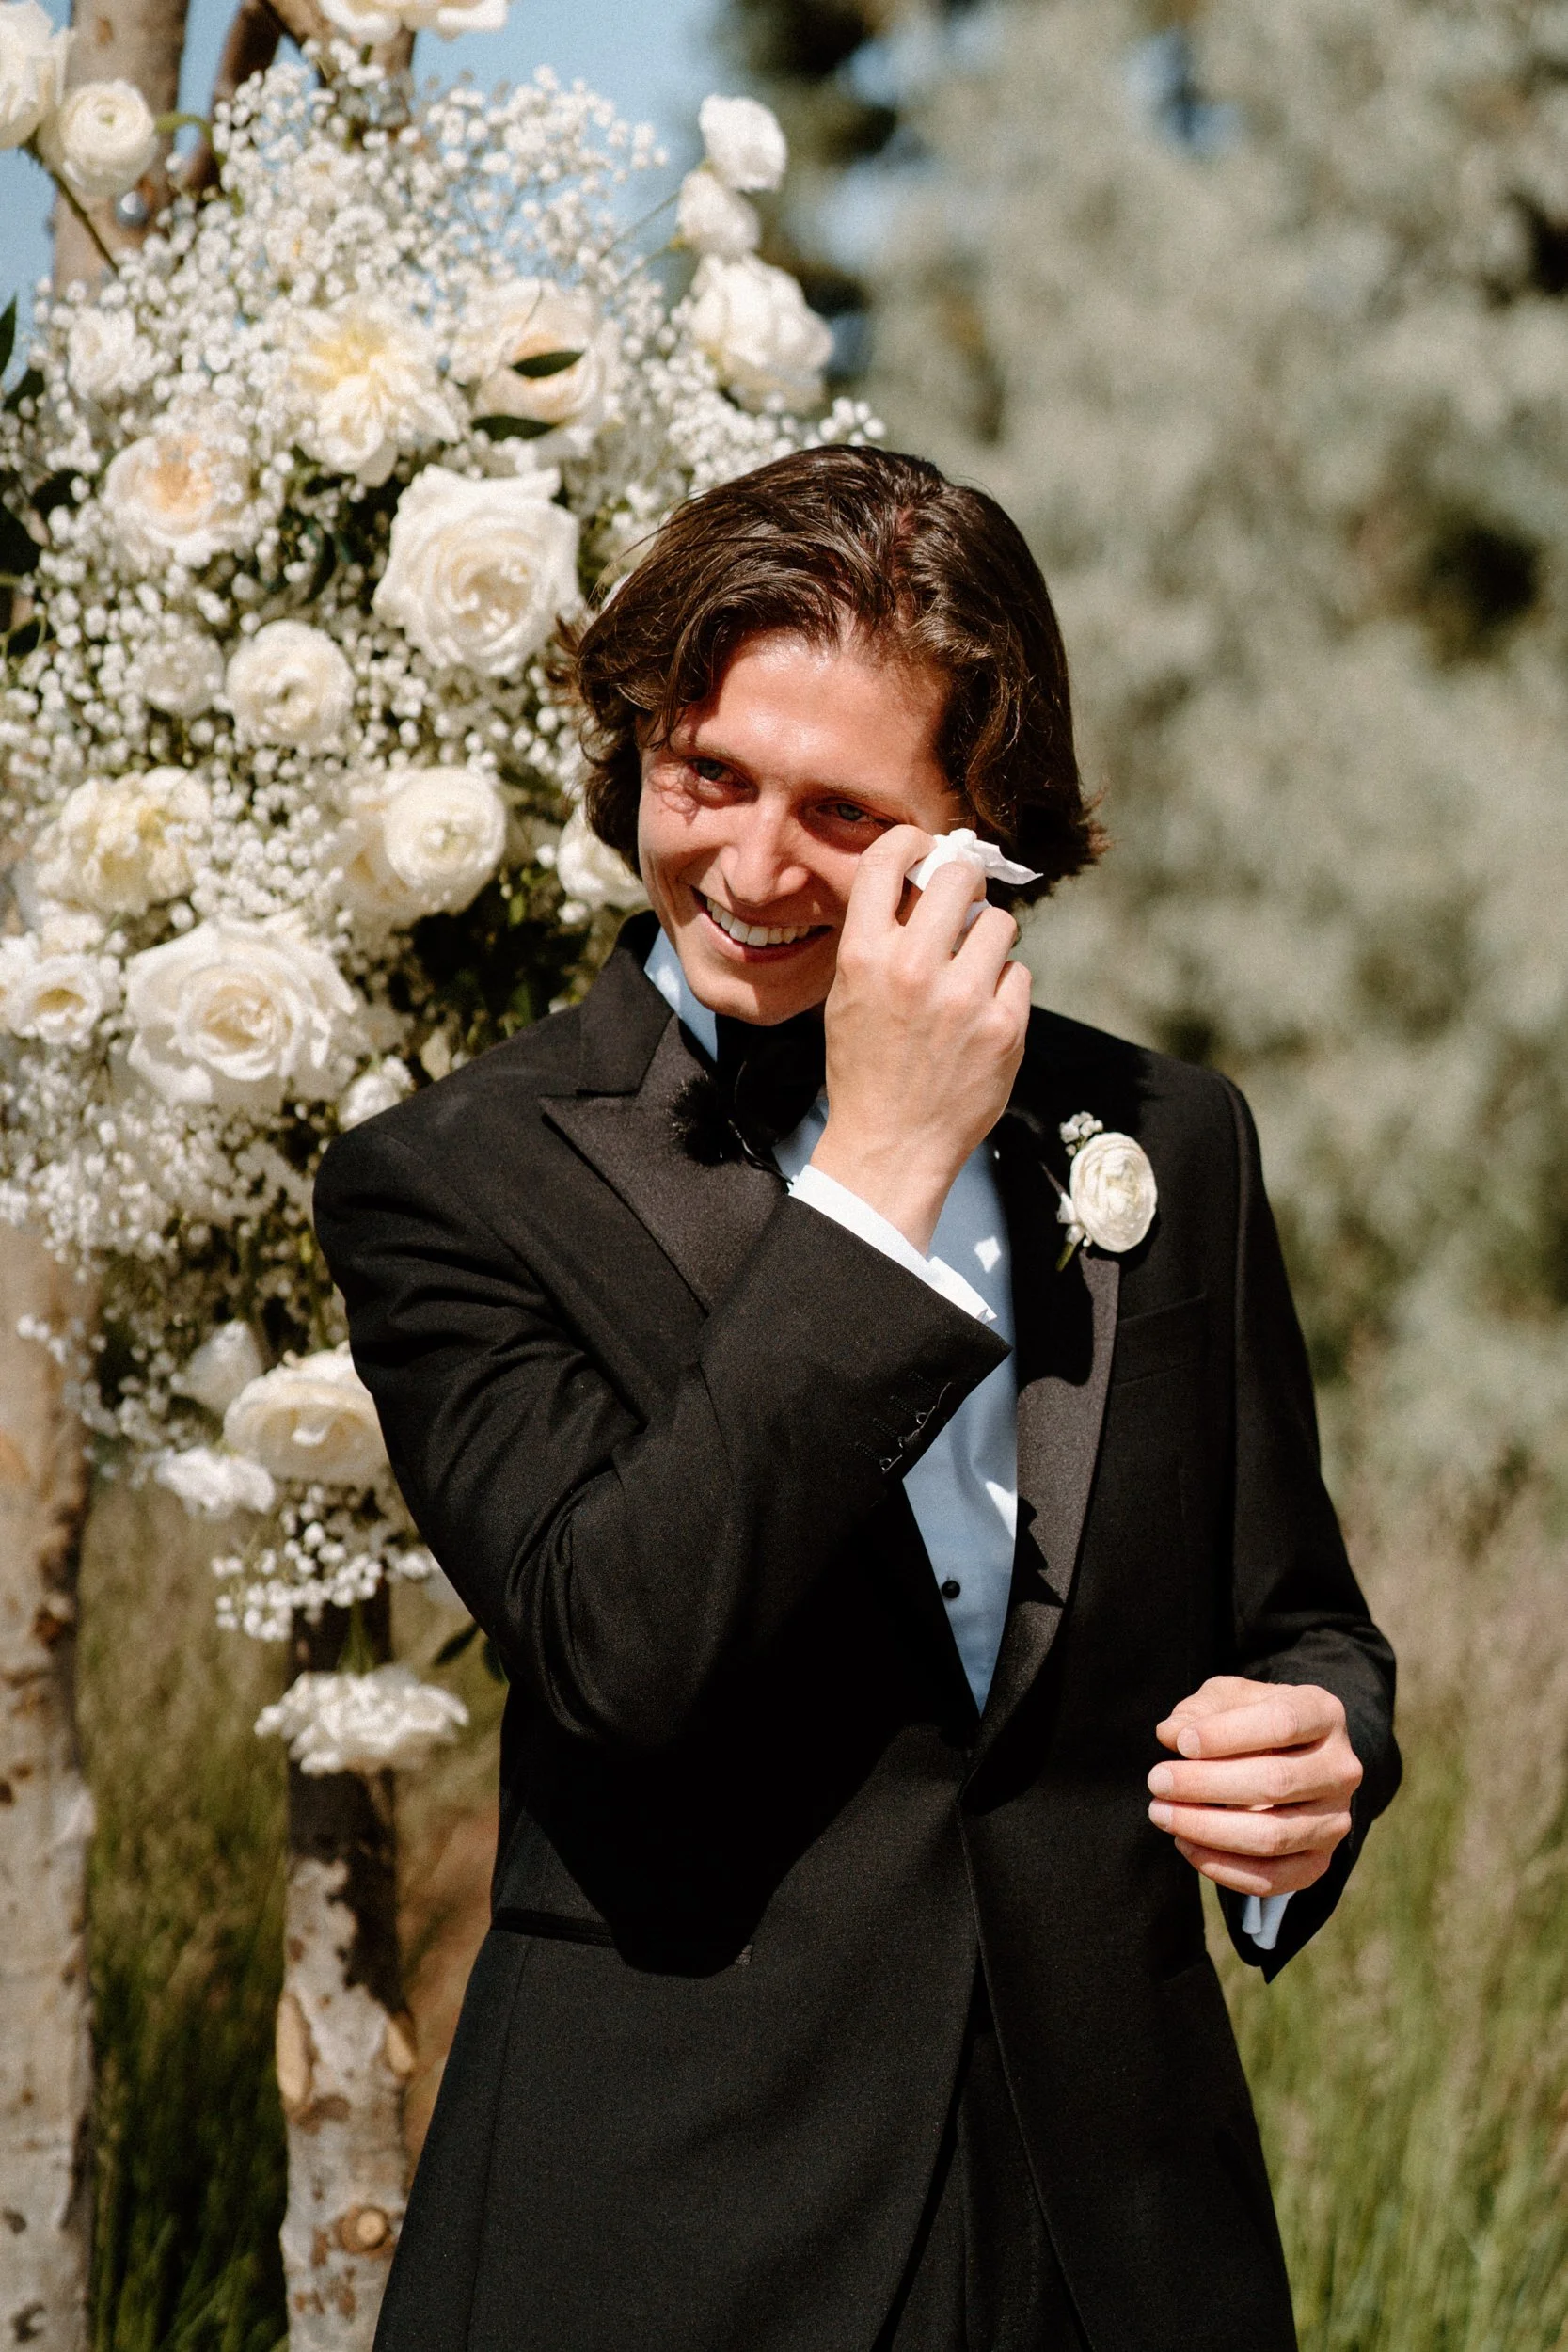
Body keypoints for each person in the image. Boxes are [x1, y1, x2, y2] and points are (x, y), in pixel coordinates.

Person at [313, 445, 1399, 2352]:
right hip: (669, 2223)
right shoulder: (452, 1181)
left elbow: (1294, 1613)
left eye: (839, 811)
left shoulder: (1169, 1139)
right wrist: (882, 1173)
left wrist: (1318, 1757)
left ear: (987, 829)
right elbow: (614, 1644)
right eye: (705, 774)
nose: (749, 866)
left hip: (1115, 2233)